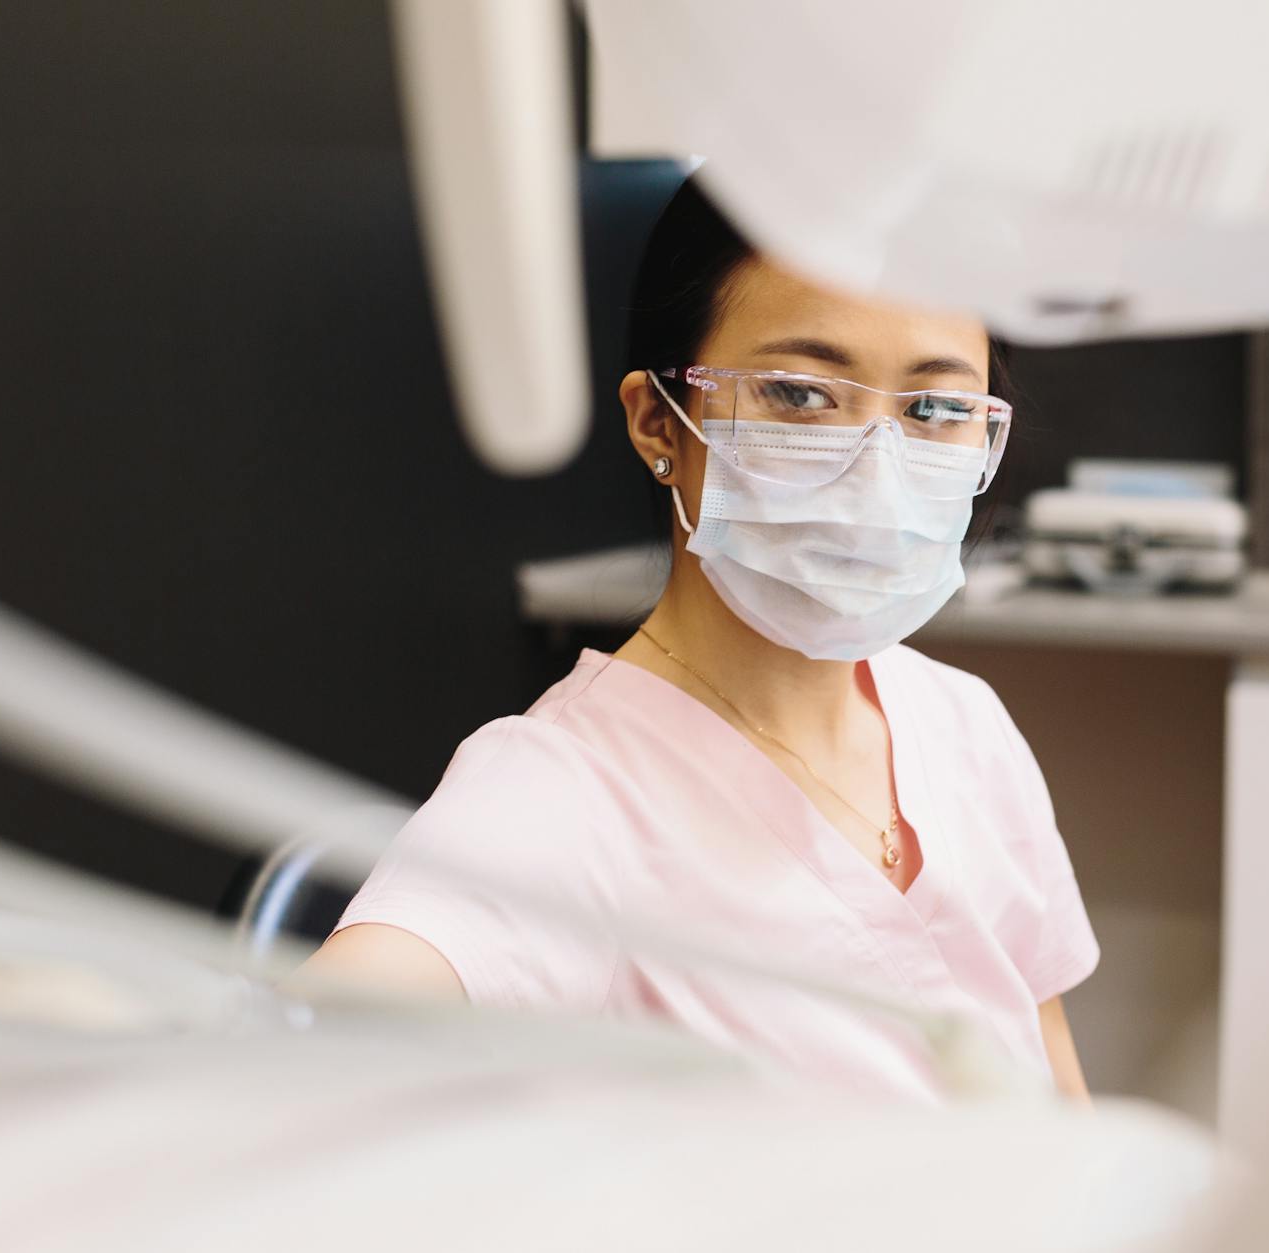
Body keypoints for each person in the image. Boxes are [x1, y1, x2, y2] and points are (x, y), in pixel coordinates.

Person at [300, 180, 1097, 1101]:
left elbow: (1060, 1101)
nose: (876, 466)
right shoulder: (564, 793)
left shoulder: (966, 727)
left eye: (933, 412)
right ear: (658, 424)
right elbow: (331, 1033)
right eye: (800, 394)